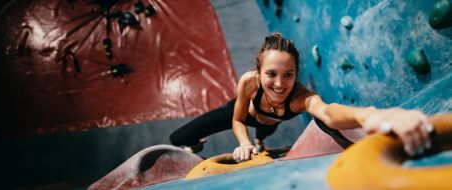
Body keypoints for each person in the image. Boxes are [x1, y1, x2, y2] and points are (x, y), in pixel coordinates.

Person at [169, 33, 433, 162]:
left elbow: (329, 113)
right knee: (178, 139)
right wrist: (243, 143)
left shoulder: (300, 99)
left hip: (267, 124)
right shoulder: (249, 82)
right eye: (271, 74)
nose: (280, 84)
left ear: (296, 74)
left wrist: (372, 115)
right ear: (258, 72)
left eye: (289, 74)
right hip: (239, 114)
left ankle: (260, 141)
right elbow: (237, 119)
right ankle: (205, 143)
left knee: (265, 134)